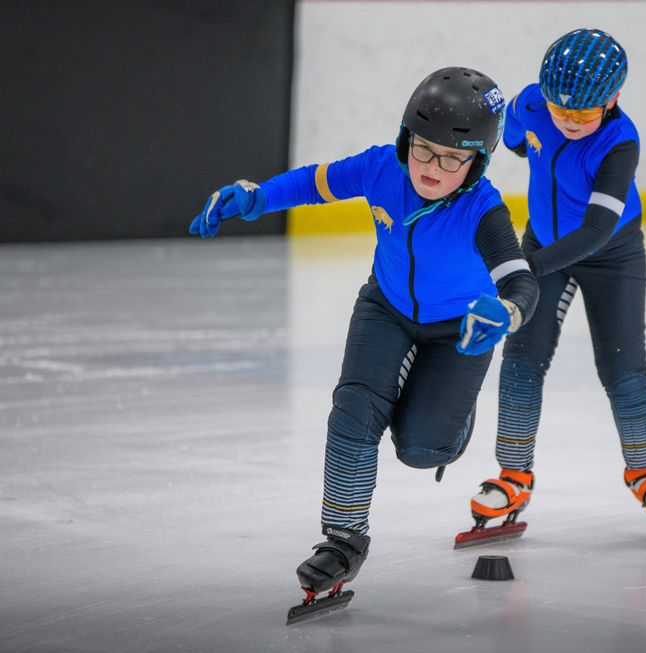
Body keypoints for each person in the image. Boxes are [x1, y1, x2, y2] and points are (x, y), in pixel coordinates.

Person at [189, 68, 539, 611]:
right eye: (423, 149)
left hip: (463, 330)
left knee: (423, 450)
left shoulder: (483, 209)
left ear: (478, 163)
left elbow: (519, 280)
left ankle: (452, 421)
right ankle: (343, 540)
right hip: (387, 308)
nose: (432, 167)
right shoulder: (382, 168)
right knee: (354, 410)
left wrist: (508, 313)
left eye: (453, 158)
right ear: (406, 141)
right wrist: (257, 197)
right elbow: (312, 183)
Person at [461, 29, 646, 546]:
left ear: (612, 98)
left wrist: (527, 267)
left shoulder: (620, 142)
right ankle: (513, 474)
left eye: (583, 114)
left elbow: (595, 231)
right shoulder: (532, 104)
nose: (568, 121)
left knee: (622, 362)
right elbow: (516, 139)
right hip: (542, 244)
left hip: (611, 253)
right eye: (559, 111)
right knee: (523, 355)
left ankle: (643, 470)